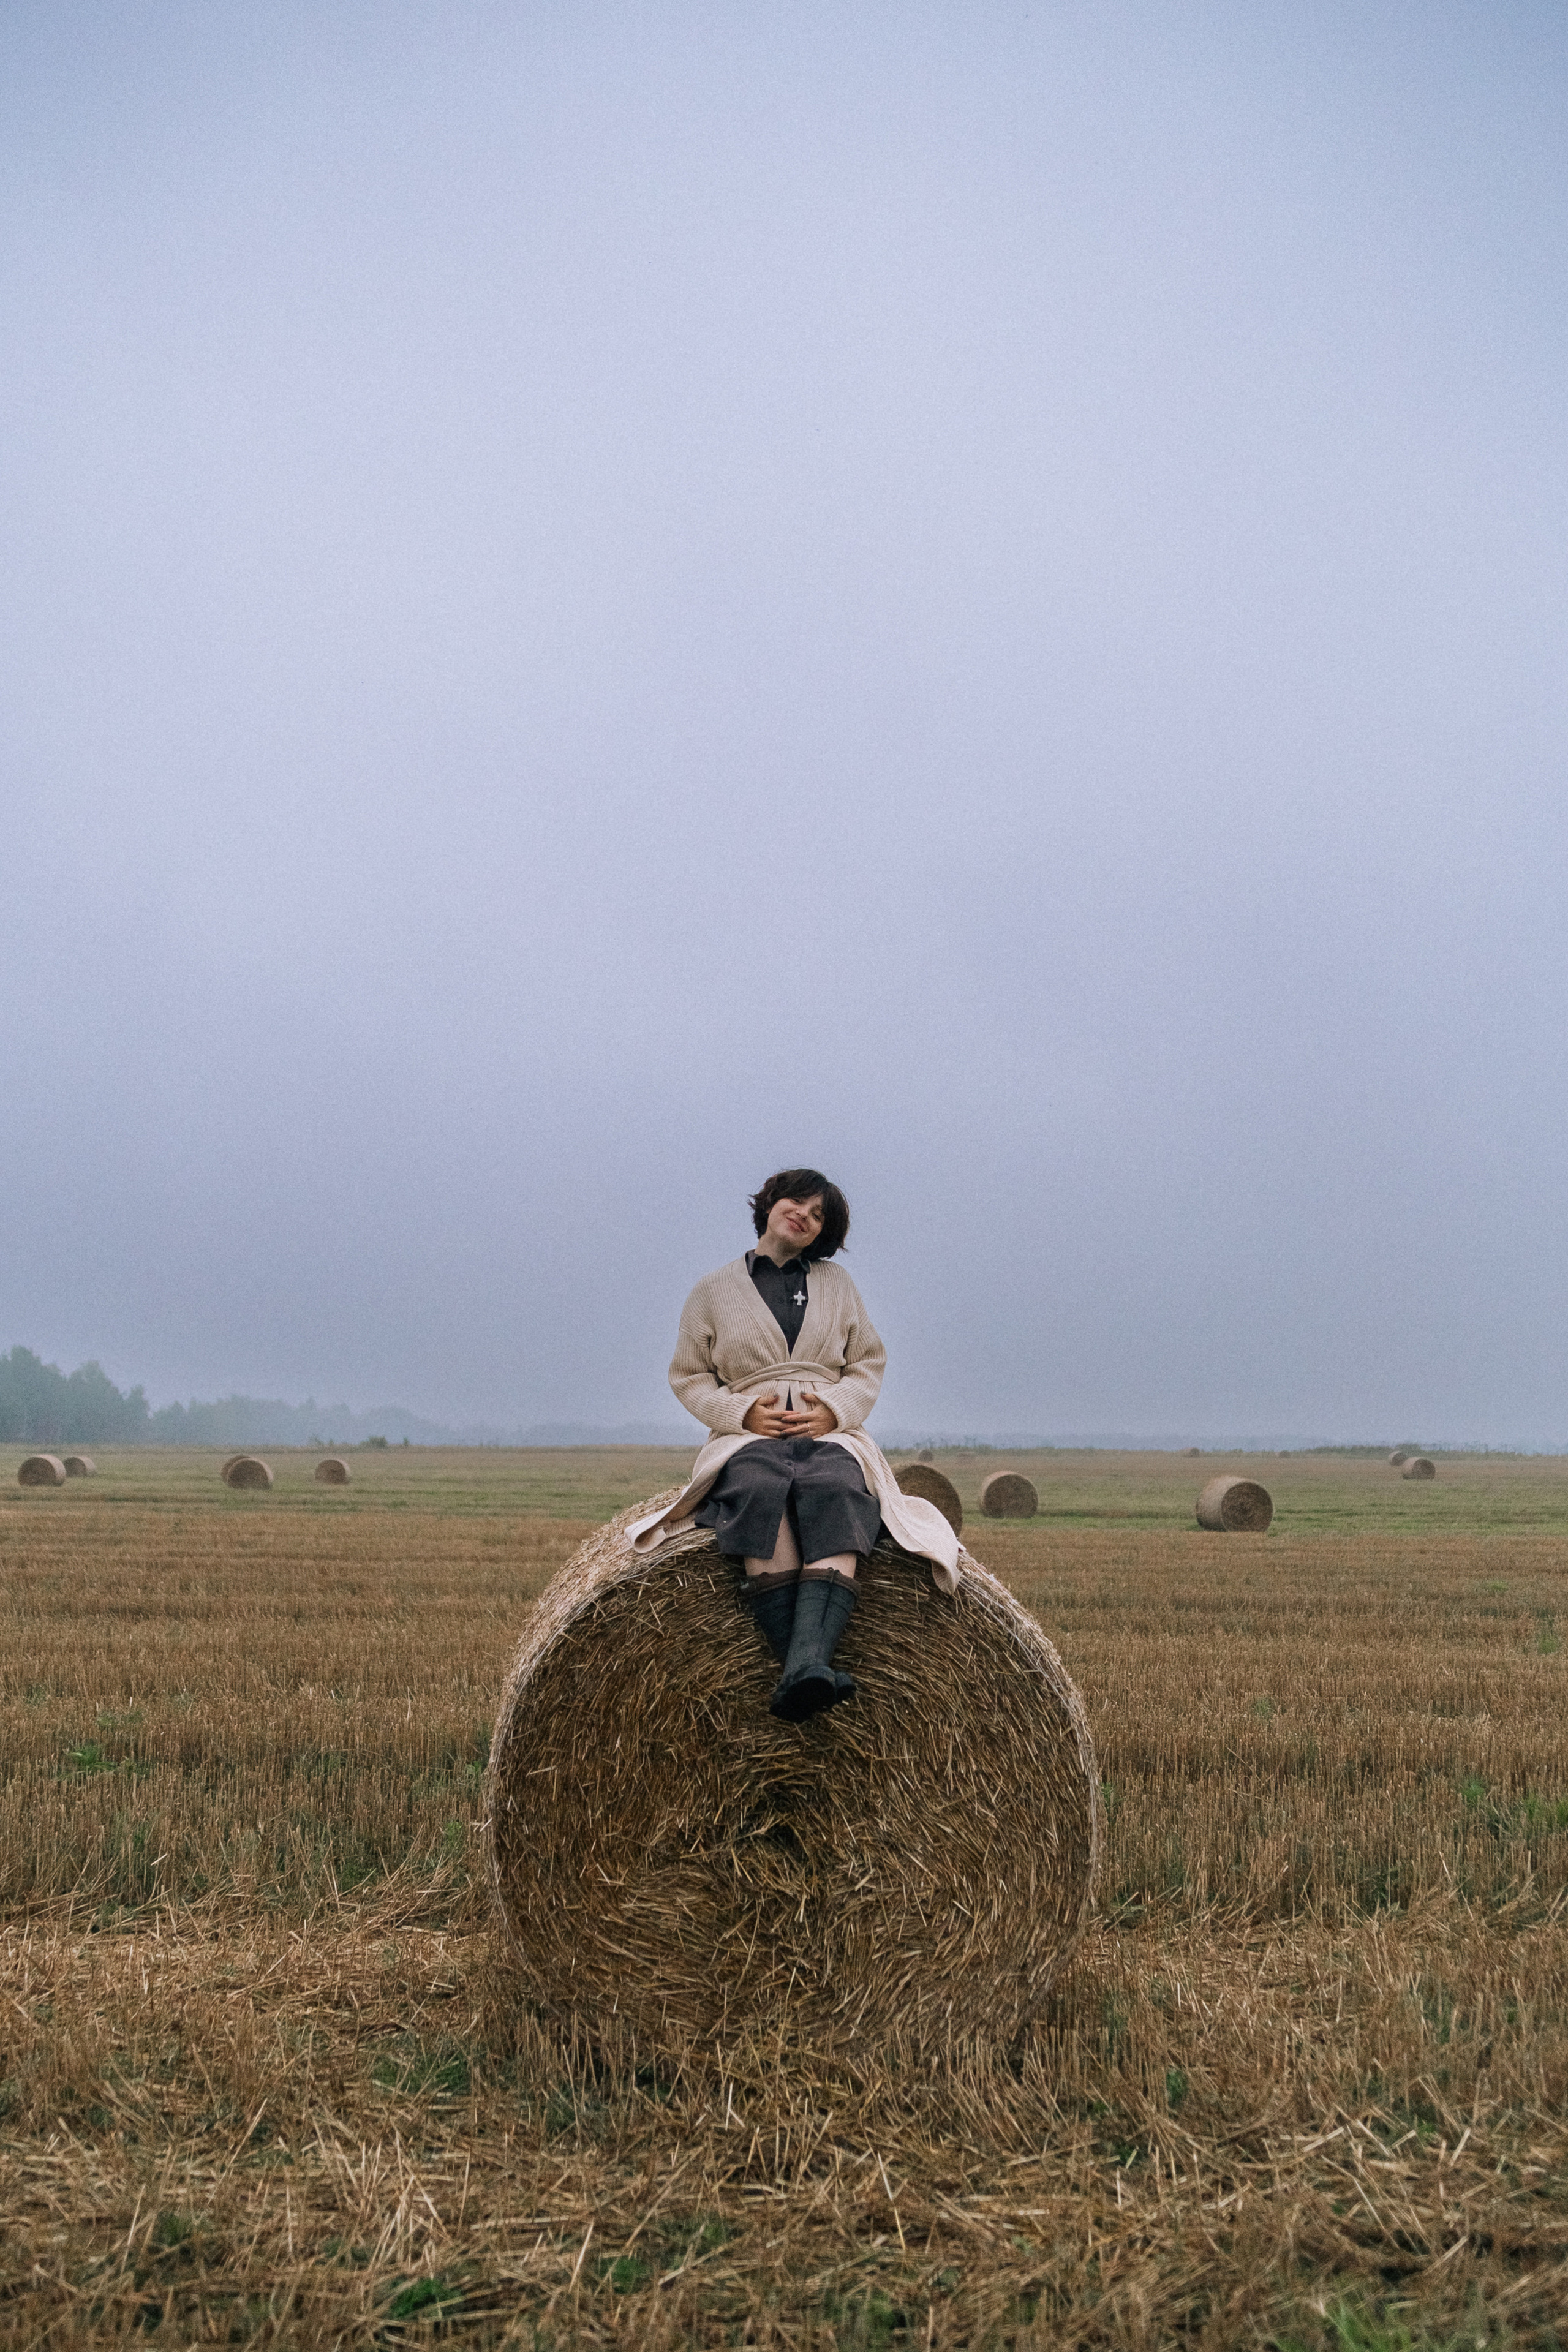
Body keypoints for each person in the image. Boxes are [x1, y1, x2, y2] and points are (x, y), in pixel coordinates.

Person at [627, 1169, 961, 1722]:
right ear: (770, 1204)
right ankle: (807, 1668)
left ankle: (803, 1666)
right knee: (758, 1489)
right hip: (747, 1438)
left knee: (837, 1488)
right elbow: (689, 1376)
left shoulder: (839, 1285)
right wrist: (740, 1413)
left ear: (822, 1234)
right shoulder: (712, 1290)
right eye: (797, 1201)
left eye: (818, 1214)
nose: (804, 1214)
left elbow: (867, 1364)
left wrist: (835, 1409)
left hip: (828, 1433)